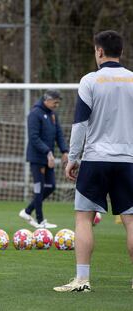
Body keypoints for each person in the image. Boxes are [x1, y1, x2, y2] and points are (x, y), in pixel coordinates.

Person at [54, 30, 133, 292]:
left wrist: (72, 158)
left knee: (84, 218)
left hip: (96, 159)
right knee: (131, 220)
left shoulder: (90, 80)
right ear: (120, 52)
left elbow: (80, 124)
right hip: (128, 160)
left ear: (99, 51)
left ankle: (82, 280)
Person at [19, 90, 69, 229]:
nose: (57, 105)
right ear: (47, 99)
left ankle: (27, 211)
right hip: (37, 158)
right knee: (39, 189)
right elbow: (34, 137)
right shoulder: (35, 114)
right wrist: (47, 152)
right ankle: (40, 221)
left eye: (59, 102)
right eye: (55, 102)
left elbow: (58, 133)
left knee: (51, 186)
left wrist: (65, 151)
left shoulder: (53, 114)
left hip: (49, 158)